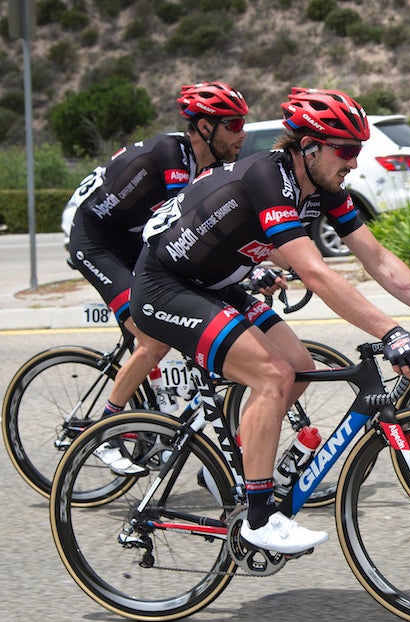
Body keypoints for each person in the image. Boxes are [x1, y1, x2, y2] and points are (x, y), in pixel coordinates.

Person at [130, 87, 410, 554]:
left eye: (359, 151)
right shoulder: (267, 176)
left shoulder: (324, 189)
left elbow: (377, 259)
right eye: (347, 151)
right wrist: (391, 333)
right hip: (166, 287)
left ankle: (230, 472)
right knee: (272, 376)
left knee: (298, 366)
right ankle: (259, 519)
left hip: (217, 283)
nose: (354, 163)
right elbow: (315, 271)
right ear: (310, 147)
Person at [65, 81, 250, 475]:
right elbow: (182, 226)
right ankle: (105, 433)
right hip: (97, 242)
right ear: (203, 127)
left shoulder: (208, 167)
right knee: (153, 339)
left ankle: (155, 423)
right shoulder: (171, 154)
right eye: (233, 124)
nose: (242, 133)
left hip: (132, 240)